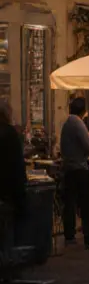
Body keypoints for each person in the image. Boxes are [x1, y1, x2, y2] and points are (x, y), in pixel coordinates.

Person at [60, 97, 89, 248]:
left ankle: (69, 235)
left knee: (70, 203)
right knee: (85, 203)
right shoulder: (77, 123)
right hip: (79, 168)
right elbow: (88, 146)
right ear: (83, 111)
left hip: (69, 168)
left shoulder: (67, 122)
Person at [0, 101, 26, 258]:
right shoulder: (9, 134)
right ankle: (9, 267)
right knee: (8, 231)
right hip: (8, 192)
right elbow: (16, 165)